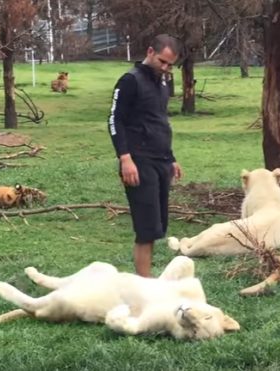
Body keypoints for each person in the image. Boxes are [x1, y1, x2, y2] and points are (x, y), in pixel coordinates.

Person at [107, 34, 183, 277]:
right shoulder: (130, 80)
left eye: (170, 65)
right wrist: (125, 158)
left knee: (158, 225)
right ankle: (144, 283)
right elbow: (114, 120)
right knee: (146, 228)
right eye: (162, 61)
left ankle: (146, 281)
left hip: (161, 160)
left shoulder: (162, 83)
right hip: (138, 161)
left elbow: (159, 121)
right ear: (150, 51)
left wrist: (171, 158)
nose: (165, 68)